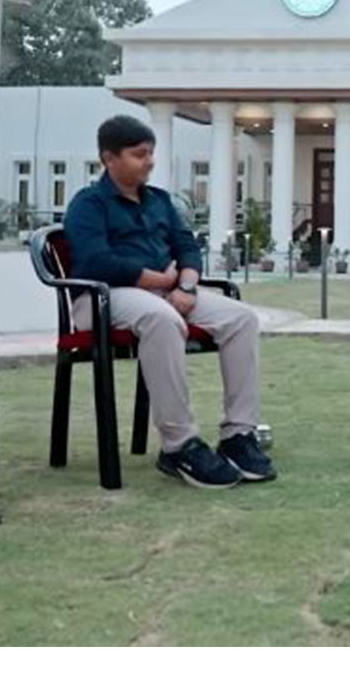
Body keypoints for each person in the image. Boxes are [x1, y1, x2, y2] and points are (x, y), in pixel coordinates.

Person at [62, 115, 275, 489]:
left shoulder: (159, 201)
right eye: (139, 154)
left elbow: (187, 248)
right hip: (102, 298)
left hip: (166, 294)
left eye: (151, 153)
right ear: (108, 159)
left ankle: (238, 435)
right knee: (162, 320)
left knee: (241, 318)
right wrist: (155, 279)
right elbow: (96, 260)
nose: (149, 161)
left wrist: (187, 287)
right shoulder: (88, 204)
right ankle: (179, 445)